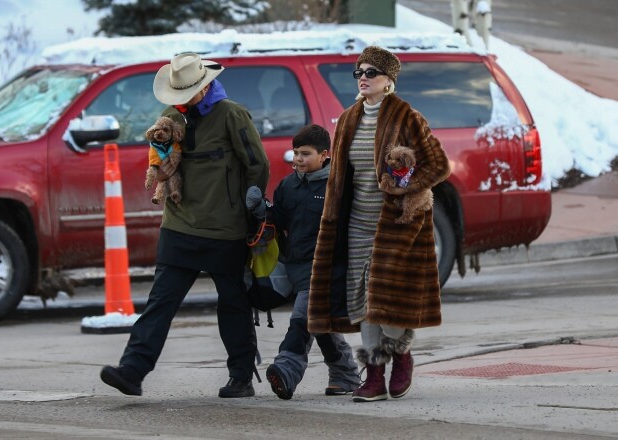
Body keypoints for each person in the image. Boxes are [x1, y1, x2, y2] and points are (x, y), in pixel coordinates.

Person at [100, 53, 270, 398]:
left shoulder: (231, 115)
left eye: (185, 93)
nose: (178, 101)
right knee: (161, 301)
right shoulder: (168, 117)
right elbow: (160, 162)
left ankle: (241, 377)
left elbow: (257, 165)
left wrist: (247, 210)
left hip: (225, 228)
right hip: (179, 226)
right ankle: (132, 371)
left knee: (233, 303)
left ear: (204, 86)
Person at [307, 46, 451, 402]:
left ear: (389, 80)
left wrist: (403, 184)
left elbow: (438, 165)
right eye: (358, 72)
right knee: (363, 299)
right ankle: (373, 373)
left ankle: (401, 354)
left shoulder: (407, 117)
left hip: (396, 226)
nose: (363, 78)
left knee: (387, 302)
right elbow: (340, 177)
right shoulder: (348, 119)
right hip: (355, 223)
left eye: (371, 72)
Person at [261, 124, 360, 400]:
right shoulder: (288, 186)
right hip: (297, 265)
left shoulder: (337, 186)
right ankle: (346, 374)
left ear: (325, 155)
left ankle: (286, 369)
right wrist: (261, 213)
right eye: (295, 153)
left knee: (302, 318)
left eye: (305, 153)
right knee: (320, 324)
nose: (298, 159)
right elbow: (278, 221)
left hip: (327, 266)